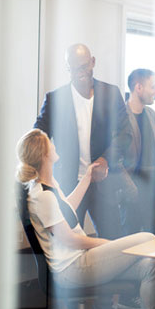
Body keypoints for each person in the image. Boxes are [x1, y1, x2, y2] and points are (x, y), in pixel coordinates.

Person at [15, 129, 155, 309]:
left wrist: (87, 177)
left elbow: (69, 209)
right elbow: (69, 239)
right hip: (72, 268)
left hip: (83, 259)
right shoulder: (41, 195)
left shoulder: (51, 186)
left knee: (152, 265)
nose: (53, 143)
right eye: (49, 143)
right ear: (43, 155)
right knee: (148, 237)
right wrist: (106, 243)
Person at [34, 43, 132, 239]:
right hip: (70, 184)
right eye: (74, 68)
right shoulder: (55, 99)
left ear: (92, 63)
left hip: (104, 182)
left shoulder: (110, 93)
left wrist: (105, 159)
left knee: (113, 239)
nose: (80, 72)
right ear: (67, 68)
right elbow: (37, 135)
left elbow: (125, 134)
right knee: (67, 241)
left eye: (84, 66)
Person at [122, 69, 155, 235]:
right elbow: (115, 159)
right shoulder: (120, 116)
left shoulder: (151, 114)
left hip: (152, 188)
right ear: (138, 88)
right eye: (153, 86)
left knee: (152, 236)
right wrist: (130, 188)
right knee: (130, 238)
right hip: (131, 189)